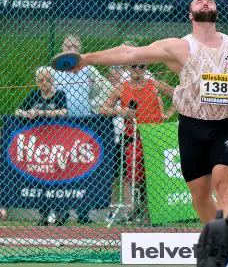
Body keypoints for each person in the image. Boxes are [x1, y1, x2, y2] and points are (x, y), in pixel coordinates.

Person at [64, 0, 228, 224]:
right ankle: (215, 233)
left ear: (216, 12)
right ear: (190, 14)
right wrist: (87, 58)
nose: (205, 3)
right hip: (190, 126)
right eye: (199, 2)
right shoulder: (180, 47)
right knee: (199, 194)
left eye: (210, 1)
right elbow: (130, 52)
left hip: (225, 125)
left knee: (224, 180)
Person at [100, 64, 176, 224]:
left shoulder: (154, 84)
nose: (138, 69)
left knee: (155, 176)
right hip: (133, 137)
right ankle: (138, 209)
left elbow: (178, 96)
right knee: (136, 177)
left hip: (155, 138)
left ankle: (152, 214)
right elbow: (104, 108)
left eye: (141, 66)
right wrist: (121, 111)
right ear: (129, 68)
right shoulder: (122, 87)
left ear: (146, 67)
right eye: (134, 66)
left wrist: (167, 114)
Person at [53, 34, 108, 224]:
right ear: (62, 48)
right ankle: (62, 212)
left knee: (82, 167)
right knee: (62, 168)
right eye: (68, 45)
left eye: (76, 46)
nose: (72, 49)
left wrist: (94, 106)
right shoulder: (54, 70)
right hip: (61, 124)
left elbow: (106, 88)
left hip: (84, 125)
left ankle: (83, 213)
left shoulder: (88, 69)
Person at [15, 66, 68, 225]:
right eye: (40, 80)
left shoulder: (59, 95)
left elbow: (63, 112)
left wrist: (42, 113)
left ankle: (60, 214)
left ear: (52, 79)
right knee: (40, 177)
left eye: (47, 79)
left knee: (57, 176)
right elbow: (18, 110)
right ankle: (43, 214)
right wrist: (28, 113)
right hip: (39, 145)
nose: (44, 82)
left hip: (56, 143)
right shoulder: (33, 95)